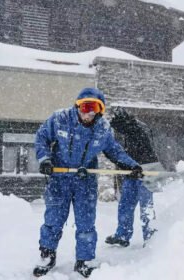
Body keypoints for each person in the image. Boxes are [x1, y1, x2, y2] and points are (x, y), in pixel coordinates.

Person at [33, 88, 144, 278]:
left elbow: (115, 151)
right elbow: (42, 138)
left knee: (86, 223)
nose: (88, 113)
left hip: (85, 181)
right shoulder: (60, 118)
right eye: (85, 107)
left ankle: (84, 260)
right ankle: (47, 256)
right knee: (53, 220)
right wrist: (45, 160)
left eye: (94, 108)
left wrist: (132, 166)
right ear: (77, 106)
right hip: (60, 178)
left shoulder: (103, 129)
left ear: (100, 110)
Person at [105, 107, 162, 247]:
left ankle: (150, 238)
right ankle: (122, 235)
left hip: (147, 170)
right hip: (133, 171)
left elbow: (145, 150)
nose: (118, 131)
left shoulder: (139, 129)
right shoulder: (128, 130)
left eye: (118, 127)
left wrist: (139, 167)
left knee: (146, 207)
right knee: (125, 204)